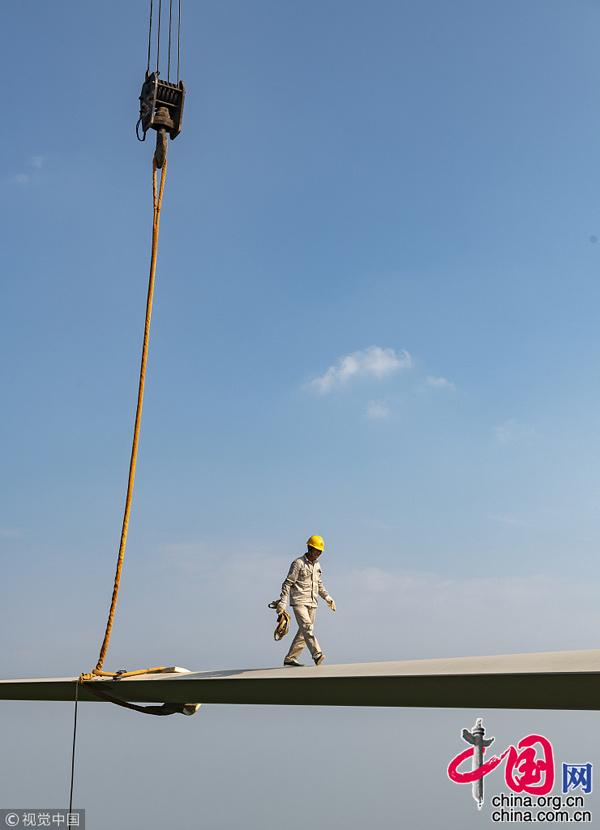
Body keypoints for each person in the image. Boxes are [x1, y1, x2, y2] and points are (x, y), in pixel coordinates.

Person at [276, 535, 336, 666]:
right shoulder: (298, 563)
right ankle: (317, 654)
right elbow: (287, 583)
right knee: (307, 628)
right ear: (310, 548)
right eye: (316, 550)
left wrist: (327, 597)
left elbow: (319, 584)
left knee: (304, 632)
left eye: (320, 551)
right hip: (299, 601)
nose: (318, 554)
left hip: (313, 603)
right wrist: (283, 602)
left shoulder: (318, 565)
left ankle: (290, 658)